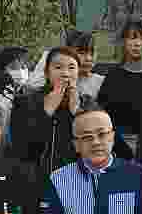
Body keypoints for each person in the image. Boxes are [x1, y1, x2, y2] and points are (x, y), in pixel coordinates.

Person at [10, 47, 85, 175]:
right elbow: (22, 149)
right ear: (46, 72)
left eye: (71, 67)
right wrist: (45, 113)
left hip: (77, 179)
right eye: (58, 67)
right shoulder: (26, 102)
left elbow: (94, 146)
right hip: (37, 180)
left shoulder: (87, 103)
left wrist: (77, 114)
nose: (65, 73)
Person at [98, 18, 142, 155]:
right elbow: (102, 115)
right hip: (116, 148)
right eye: (132, 38)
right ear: (124, 42)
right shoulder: (113, 77)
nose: (137, 43)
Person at [72, 31, 105, 100]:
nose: (88, 58)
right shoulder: (60, 83)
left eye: (92, 53)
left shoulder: (103, 83)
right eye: (81, 53)